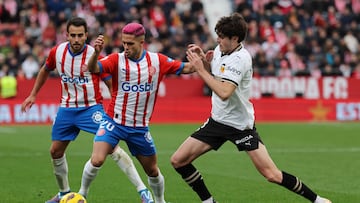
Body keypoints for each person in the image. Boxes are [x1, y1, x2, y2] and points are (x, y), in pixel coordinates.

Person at [170, 13, 332, 203]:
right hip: (218, 121)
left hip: (240, 126)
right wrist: (203, 62)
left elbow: (224, 91)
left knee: (272, 174)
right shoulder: (221, 49)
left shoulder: (241, 59)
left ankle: (318, 200)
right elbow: (214, 74)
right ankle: (208, 201)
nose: (218, 39)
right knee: (178, 160)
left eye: (221, 37)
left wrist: (199, 68)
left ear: (235, 39)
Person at [21, 17, 153, 203]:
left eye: (80, 35)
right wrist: (33, 94)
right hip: (66, 109)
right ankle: (63, 194)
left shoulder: (95, 55)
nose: (76, 39)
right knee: (55, 151)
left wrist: (119, 105)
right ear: (66, 35)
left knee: (112, 149)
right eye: (72, 35)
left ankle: (143, 191)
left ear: (86, 35)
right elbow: (45, 69)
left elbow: (111, 83)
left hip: (91, 109)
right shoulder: (57, 52)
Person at [79, 22, 195, 203]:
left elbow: (186, 68)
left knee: (152, 170)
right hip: (113, 122)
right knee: (97, 160)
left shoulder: (158, 61)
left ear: (142, 42)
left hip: (139, 128)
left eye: (130, 44)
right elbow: (93, 68)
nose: (126, 47)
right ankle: (81, 194)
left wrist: (207, 61)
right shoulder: (116, 59)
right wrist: (95, 52)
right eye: (124, 43)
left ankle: (159, 201)